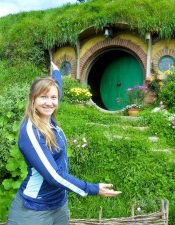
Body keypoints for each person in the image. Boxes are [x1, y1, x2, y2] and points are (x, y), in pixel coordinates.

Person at [7, 62, 121, 225]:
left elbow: (56, 93)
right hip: (34, 211)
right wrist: (92, 188)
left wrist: (57, 73)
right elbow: (54, 176)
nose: (49, 102)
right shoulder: (30, 132)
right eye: (43, 97)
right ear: (33, 99)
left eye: (53, 97)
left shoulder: (49, 117)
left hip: (59, 204)